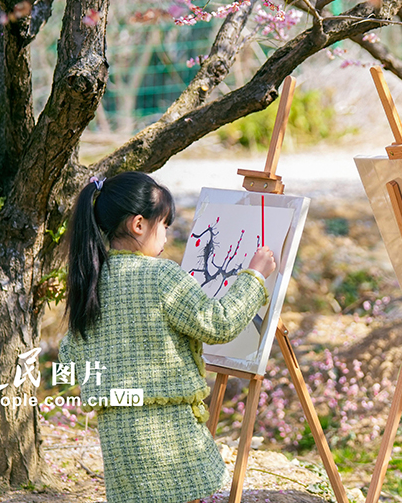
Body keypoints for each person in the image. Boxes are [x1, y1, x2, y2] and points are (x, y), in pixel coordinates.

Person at [58, 171, 277, 503]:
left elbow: (70, 356)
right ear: (139, 225)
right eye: (164, 226)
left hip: (120, 448)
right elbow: (218, 323)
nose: (165, 236)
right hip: (168, 442)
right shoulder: (160, 275)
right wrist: (254, 277)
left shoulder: (89, 282)